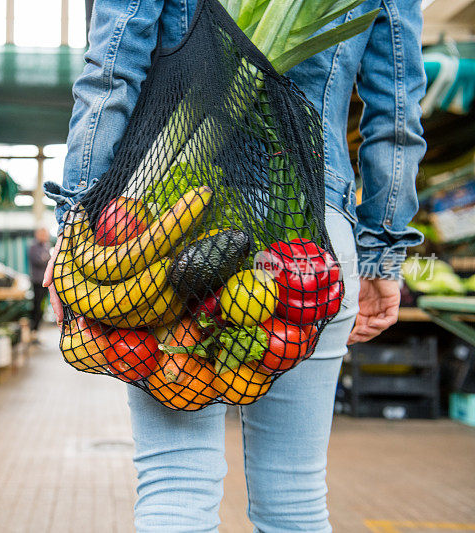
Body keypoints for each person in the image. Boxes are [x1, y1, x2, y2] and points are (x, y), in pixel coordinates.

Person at [42, 0, 425, 531]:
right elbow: (397, 116)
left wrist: (75, 229)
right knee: (295, 492)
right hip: (312, 237)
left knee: (175, 480)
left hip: (172, 214)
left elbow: (110, 72)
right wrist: (383, 255)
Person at [28, 227, 52, 336]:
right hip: (37, 281)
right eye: (42, 234)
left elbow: (47, 260)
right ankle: (33, 329)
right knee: (36, 305)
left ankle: (36, 330)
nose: (44, 236)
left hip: (46, 282)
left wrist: (46, 258)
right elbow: (39, 261)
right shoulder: (33, 247)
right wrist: (47, 259)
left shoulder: (47, 246)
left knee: (42, 306)